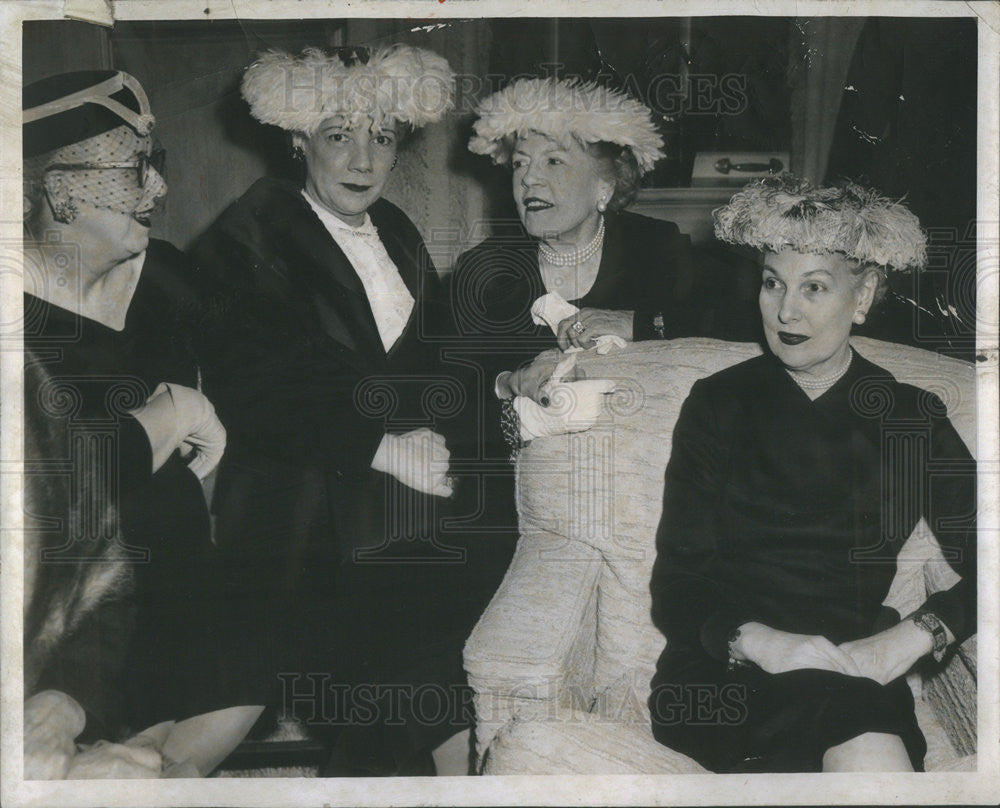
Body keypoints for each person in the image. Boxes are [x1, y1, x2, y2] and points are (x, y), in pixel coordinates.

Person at [191, 45, 473, 775]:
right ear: (297, 137)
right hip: (305, 520)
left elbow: (433, 362)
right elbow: (249, 386)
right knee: (388, 693)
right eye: (339, 134)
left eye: (381, 136)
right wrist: (381, 447)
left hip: (400, 513)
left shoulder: (400, 233)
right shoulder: (248, 233)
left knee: (445, 676)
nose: (363, 158)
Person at [648, 175, 976, 773]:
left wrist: (914, 635)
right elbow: (678, 583)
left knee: (868, 738)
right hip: (726, 673)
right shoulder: (718, 404)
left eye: (815, 287)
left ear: (865, 294)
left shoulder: (910, 417)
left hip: (851, 666)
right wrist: (762, 643)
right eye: (773, 283)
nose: (786, 310)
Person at [22, 70, 229, 772]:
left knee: (291, 612)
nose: (159, 189)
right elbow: (46, 484)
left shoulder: (165, 278)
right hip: (76, 619)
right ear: (60, 189)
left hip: (185, 597)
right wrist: (172, 415)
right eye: (134, 169)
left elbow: (266, 380)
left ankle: (149, 771)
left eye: (157, 164)